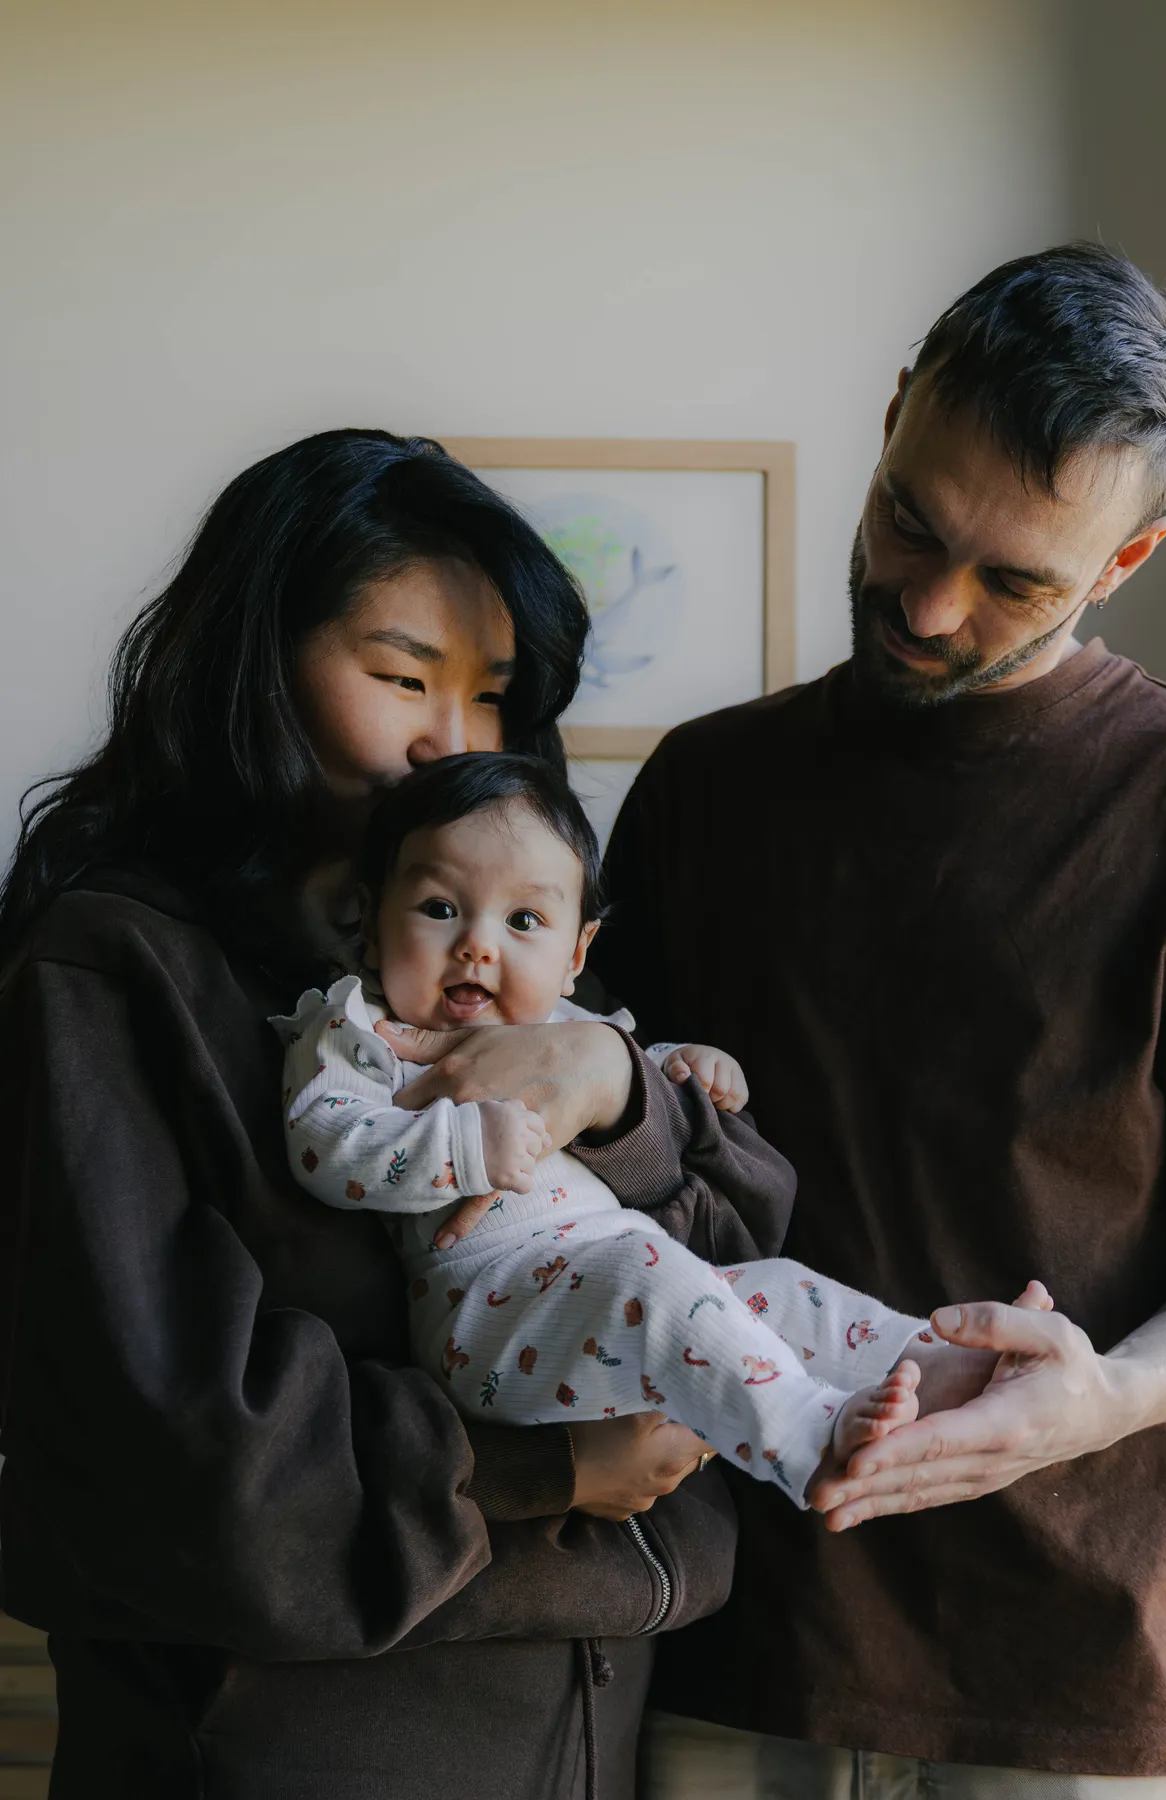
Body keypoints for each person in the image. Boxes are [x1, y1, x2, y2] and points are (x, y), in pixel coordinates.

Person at [0, 429, 803, 1800]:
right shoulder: (114, 973)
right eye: (401, 676)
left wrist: (613, 1090)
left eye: (493, 694)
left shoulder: (503, 953)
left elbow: (733, 1259)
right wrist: (548, 1469)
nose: (457, 740)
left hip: (582, 1745)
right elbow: (189, 1453)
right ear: (254, 667)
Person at [593, 243, 1166, 1796]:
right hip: (726, 1641)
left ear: (1126, 564)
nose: (927, 604)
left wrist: (1109, 1400)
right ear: (888, 424)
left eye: (1016, 581)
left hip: (1077, 1679)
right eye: (911, 521)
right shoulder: (705, 790)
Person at [277, 750, 957, 1492]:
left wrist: (677, 1064)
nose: (478, 943)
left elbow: (623, 1074)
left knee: (778, 1290)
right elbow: (324, 1144)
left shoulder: (565, 1027)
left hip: (614, 1276)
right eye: (439, 908)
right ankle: (808, 1437)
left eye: (524, 920)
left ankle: (934, 1363)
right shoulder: (360, 1029)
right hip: (490, 1317)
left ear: (577, 953)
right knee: (650, 1274)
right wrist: (464, 1147)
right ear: (373, 925)